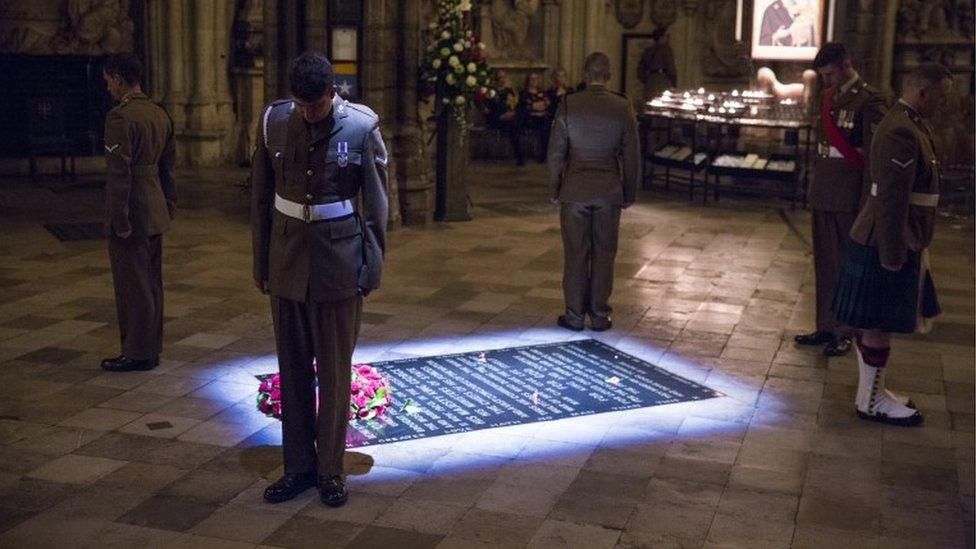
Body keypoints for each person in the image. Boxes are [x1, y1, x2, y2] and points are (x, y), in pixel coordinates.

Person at [251, 51, 388, 505]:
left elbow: (377, 205)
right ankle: (299, 468)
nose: (308, 114)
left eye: (316, 105)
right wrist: (262, 262)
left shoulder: (360, 128)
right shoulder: (273, 122)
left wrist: (370, 267)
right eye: (301, 105)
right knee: (291, 371)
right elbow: (260, 199)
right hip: (287, 261)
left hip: (338, 263)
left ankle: (331, 471)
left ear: (333, 92)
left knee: (333, 373)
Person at [832, 62, 953, 427]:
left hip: (893, 237)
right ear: (922, 93)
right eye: (941, 97)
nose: (943, 104)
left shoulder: (910, 122)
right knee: (877, 324)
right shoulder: (902, 130)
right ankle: (871, 402)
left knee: (875, 323)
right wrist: (892, 254)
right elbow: (892, 199)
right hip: (884, 240)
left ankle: (874, 393)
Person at [795, 43, 888, 357]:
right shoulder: (829, 97)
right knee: (825, 263)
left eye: (831, 74)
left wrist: (867, 205)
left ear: (846, 64)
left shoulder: (870, 100)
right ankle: (826, 325)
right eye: (823, 76)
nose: (827, 81)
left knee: (848, 267)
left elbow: (873, 158)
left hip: (849, 198)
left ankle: (846, 331)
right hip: (825, 192)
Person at [547, 52, 640, 332]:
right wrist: (629, 193)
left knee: (576, 253)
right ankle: (599, 315)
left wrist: (554, 189)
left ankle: (574, 315)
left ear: (585, 75)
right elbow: (632, 156)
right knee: (604, 254)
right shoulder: (622, 107)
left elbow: (555, 154)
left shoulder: (568, 105)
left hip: (574, 192)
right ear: (608, 76)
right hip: (608, 193)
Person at [100, 53, 176, 373]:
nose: (108, 89)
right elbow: (168, 168)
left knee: (133, 285)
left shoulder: (121, 118)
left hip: (133, 210)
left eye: (108, 82)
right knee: (151, 283)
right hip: (156, 207)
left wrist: (119, 218)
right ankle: (150, 347)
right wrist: (169, 205)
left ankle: (137, 352)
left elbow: (120, 176)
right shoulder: (159, 113)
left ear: (119, 79)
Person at [484, 69, 520, 164]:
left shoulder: (509, 91)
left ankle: (519, 156)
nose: (502, 80)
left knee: (514, 126)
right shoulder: (491, 92)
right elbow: (488, 109)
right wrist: (500, 116)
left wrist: (511, 113)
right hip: (496, 118)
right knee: (512, 127)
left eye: (503, 77)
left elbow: (515, 105)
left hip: (509, 117)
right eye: (499, 78)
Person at [516, 72, 552, 165]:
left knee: (546, 127)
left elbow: (547, 104)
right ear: (528, 81)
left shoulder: (542, 92)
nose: (534, 81)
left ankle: (543, 156)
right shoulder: (524, 93)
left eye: (536, 78)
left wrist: (539, 105)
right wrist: (536, 105)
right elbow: (527, 106)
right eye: (532, 79)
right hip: (529, 118)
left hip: (542, 117)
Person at [637, 27, 677, 102]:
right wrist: (674, 82)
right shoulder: (666, 50)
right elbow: (671, 68)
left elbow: (640, 68)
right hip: (663, 80)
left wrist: (645, 79)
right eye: (666, 36)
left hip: (650, 80)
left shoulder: (648, 50)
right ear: (661, 37)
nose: (668, 38)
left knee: (649, 102)